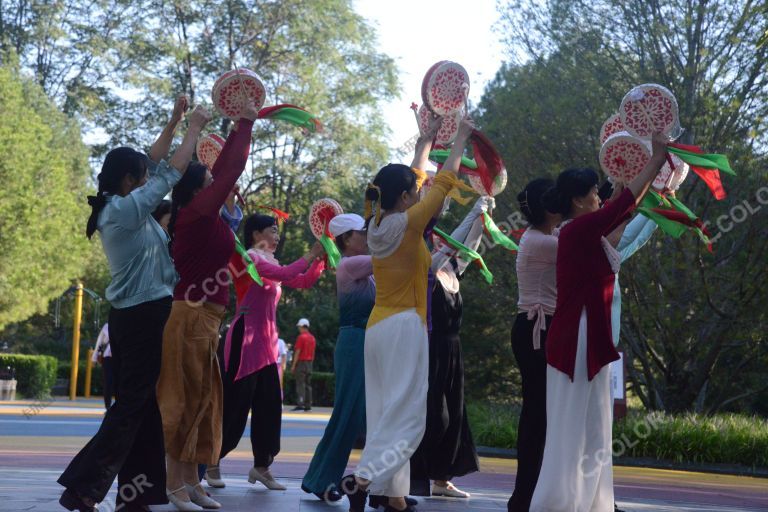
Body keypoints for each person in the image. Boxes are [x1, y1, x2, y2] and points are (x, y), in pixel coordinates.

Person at [58, 95, 210, 512]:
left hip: (138, 315)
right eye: (141, 178)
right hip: (143, 317)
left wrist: (175, 121)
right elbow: (171, 172)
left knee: (143, 405)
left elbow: (155, 161)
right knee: (132, 405)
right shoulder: (124, 212)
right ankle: (83, 487)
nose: (148, 181)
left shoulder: (122, 207)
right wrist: (194, 128)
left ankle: (137, 493)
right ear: (128, 181)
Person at [529, 133, 668, 512]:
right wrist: (655, 160)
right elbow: (620, 208)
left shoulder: (584, 233)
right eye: (594, 192)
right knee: (572, 426)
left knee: (593, 426)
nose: (599, 197)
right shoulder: (577, 230)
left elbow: (622, 216)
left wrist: (646, 186)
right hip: (576, 339)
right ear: (578, 200)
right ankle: (558, 503)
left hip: (587, 337)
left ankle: (590, 502)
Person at [341, 116, 471, 512]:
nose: (419, 193)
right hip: (403, 327)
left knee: (384, 411)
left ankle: (390, 494)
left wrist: (426, 141)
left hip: (378, 328)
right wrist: (461, 137)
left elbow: (416, 177)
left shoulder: (378, 221)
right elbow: (444, 181)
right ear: (403, 198)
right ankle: (362, 480)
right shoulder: (410, 223)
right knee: (409, 415)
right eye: (414, 192)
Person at [155, 100, 259, 511]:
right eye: (210, 179)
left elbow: (229, 175)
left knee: (204, 401)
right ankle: (172, 484)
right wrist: (245, 122)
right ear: (198, 187)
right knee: (182, 401)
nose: (219, 180)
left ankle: (190, 480)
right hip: (189, 316)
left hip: (208, 318)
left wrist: (238, 126)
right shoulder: (194, 214)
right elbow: (232, 169)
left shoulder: (211, 218)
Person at [205, 214, 325, 491]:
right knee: (235, 406)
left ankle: (261, 466)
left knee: (270, 407)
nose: (277, 234)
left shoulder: (272, 261)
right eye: (273, 229)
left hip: (268, 344)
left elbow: (301, 280)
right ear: (257, 234)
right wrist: (311, 253)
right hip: (245, 339)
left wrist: (319, 262)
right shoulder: (250, 257)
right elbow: (285, 275)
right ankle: (211, 460)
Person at [409, 195, 493, 500]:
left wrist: (482, 214)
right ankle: (417, 474)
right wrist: (472, 211)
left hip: (453, 351)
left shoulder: (453, 271)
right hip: (432, 349)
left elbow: (468, 243)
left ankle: (442, 480)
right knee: (436, 414)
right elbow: (453, 243)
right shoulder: (427, 270)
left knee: (455, 414)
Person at [301, 213, 372, 503]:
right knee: (348, 415)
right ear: (346, 239)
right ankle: (321, 480)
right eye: (362, 233)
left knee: (367, 418)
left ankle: (378, 487)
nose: (367, 237)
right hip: (355, 341)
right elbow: (393, 257)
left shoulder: (365, 266)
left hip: (369, 342)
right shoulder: (349, 264)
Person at [506, 178, 560, 512]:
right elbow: (598, 242)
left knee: (539, 415)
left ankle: (527, 496)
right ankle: (523, 498)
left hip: (534, 329)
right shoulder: (546, 243)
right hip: (537, 331)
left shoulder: (541, 236)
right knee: (537, 416)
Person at [291, 318, 316, 412]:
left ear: (302, 326)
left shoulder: (301, 337)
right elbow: (313, 352)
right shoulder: (312, 338)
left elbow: (298, 351)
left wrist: (293, 365)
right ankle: (308, 405)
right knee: (308, 384)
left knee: (300, 384)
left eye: (299, 327)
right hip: (310, 363)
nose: (299, 329)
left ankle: (300, 404)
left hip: (301, 363)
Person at [91, 323, 114, 410]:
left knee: (119, 383)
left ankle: (118, 407)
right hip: (108, 357)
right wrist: (94, 357)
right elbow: (100, 342)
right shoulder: (107, 326)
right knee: (108, 382)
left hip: (120, 358)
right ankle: (107, 406)